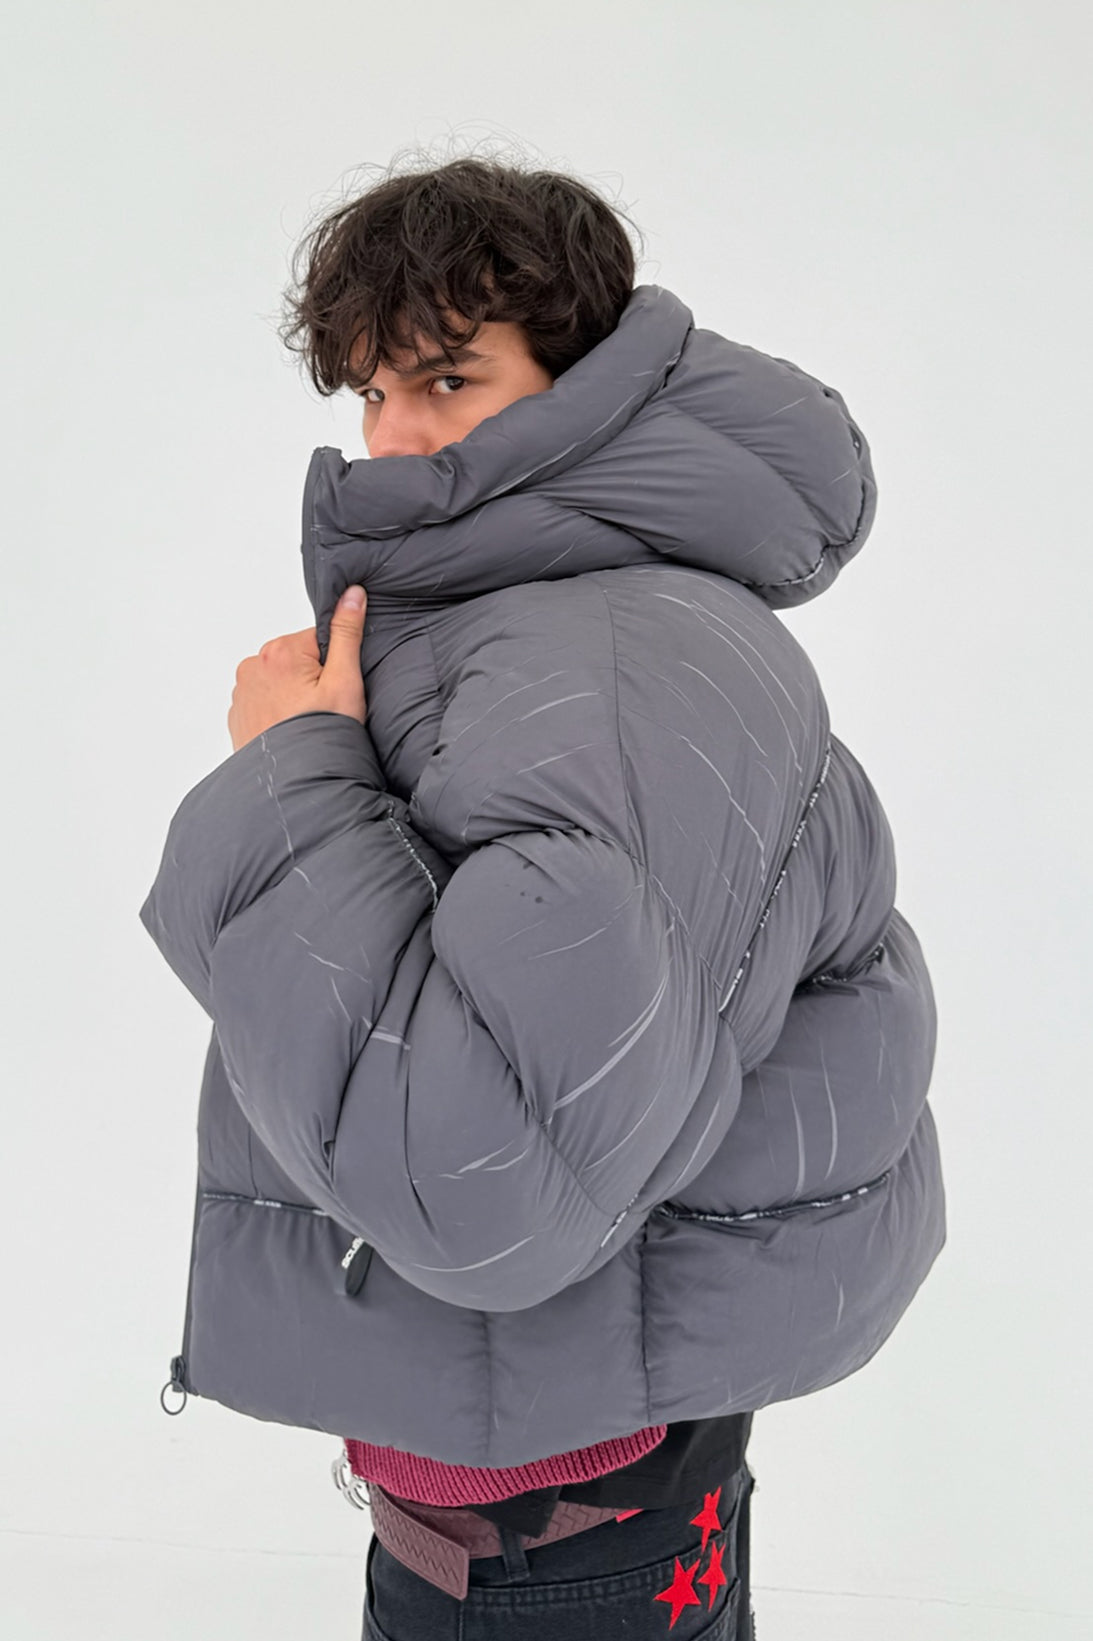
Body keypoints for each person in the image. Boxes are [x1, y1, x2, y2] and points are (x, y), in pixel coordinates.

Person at [139, 150, 945, 1640]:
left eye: (449, 380)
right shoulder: (568, 621)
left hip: (540, 1533)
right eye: (371, 391)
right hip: (578, 1472)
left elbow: (485, 1179)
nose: (393, 439)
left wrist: (291, 776)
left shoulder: (597, 660)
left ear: (587, 380)